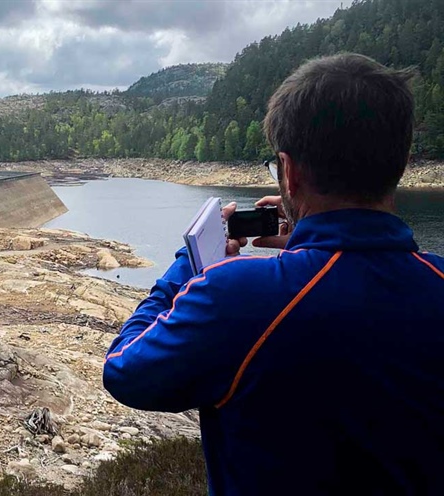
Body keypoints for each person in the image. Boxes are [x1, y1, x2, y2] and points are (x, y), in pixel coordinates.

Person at [103, 53, 444, 495]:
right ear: (401, 163)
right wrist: (318, 238)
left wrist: (189, 265)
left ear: (289, 170)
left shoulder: (237, 298)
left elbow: (124, 372)